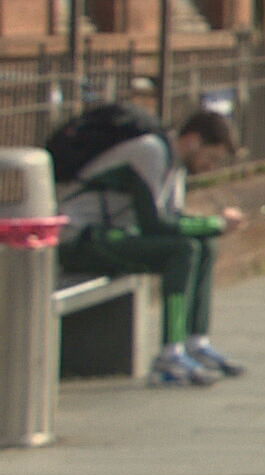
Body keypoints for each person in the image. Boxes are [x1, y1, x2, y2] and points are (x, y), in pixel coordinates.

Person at [57, 109, 247, 387]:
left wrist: (211, 227)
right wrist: (215, 223)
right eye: (212, 157)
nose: (211, 166)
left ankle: (196, 341)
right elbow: (154, 223)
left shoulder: (175, 163)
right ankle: (170, 355)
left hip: (112, 237)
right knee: (183, 250)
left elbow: (173, 217)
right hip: (80, 240)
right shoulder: (151, 153)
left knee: (204, 245)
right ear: (193, 140)